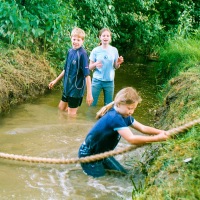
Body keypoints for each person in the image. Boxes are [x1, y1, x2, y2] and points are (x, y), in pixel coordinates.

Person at [78, 87, 169, 177]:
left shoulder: (124, 115)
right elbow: (131, 139)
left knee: (123, 175)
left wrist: (162, 132)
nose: (131, 112)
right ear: (118, 104)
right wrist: (157, 138)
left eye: (133, 108)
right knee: (100, 178)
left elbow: (143, 128)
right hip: (89, 155)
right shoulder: (115, 118)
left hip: (103, 153)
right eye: (129, 108)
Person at [49, 27, 93, 115]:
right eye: (74, 39)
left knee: (71, 116)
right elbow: (65, 69)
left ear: (82, 41)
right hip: (67, 87)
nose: (76, 42)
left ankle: (72, 128)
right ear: (71, 38)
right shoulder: (70, 51)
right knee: (60, 110)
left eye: (78, 40)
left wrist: (89, 94)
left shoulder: (82, 54)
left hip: (76, 89)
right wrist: (55, 81)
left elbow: (87, 76)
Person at [89, 28, 124, 106]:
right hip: (97, 80)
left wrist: (118, 63)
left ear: (110, 38)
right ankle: (89, 118)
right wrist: (95, 65)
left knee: (108, 105)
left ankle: (106, 118)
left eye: (107, 36)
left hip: (109, 81)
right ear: (100, 37)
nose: (105, 37)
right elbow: (90, 67)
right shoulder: (95, 50)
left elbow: (115, 66)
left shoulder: (114, 50)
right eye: (103, 35)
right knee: (92, 104)